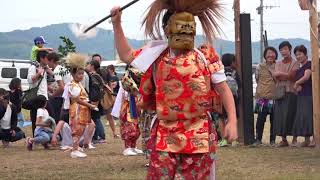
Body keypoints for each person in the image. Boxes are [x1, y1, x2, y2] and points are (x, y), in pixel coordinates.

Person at [110, 0, 237, 178]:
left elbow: (223, 89)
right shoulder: (156, 54)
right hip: (164, 130)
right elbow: (127, 55)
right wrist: (117, 24)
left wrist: (232, 120)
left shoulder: (205, 55)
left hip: (199, 131)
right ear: (166, 29)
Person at [65, 53, 97, 158]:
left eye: (82, 74)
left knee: (81, 128)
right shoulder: (73, 85)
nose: (81, 76)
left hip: (82, 110)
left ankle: (77, 147)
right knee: (77, 129)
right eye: (79, 74)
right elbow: (77, 99)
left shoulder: (78, 85)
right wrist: (90, 105)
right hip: (77, 109)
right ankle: (74, 149)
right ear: (73, 75)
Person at [273, 41, 299, 147]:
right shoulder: (278, 63)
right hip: (280, 92)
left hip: (291, 91)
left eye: (285, 49)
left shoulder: (295, 62)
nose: (283, 51)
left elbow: (293, 76)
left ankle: (294, 138)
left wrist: (281, 74)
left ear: (290, 49)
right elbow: (276, 76)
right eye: (281, 49)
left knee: (292, 114)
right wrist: (286, 75)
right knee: (280, 116)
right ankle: (283, 139)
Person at [254, 47, 277, 146]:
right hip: (262, 97)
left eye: (272, 53)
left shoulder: (278, 66)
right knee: (260, 119)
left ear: (275, 55)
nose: (270, 55)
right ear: (265, 55)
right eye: (268, 53)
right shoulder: (259, 66)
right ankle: (258, 139)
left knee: (274, 119)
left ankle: (272, 140)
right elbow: (257, 79)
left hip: (274, 97)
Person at [27, 50, 54, 136]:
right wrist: (39, 73)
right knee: (36, 118)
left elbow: (53, 76)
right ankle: (36, 138)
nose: (49, 60)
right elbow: (31, 80)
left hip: (44, 96)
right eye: (47, 58)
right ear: (42, 58)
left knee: (48, 116)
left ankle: (43, 137)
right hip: (36, 97)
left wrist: (49, 88)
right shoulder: (33, 67)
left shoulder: (45, 68)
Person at [292, 45, 313, 147]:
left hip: (309, 95)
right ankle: (307, 139)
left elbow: (306, 77)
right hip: (301, 95)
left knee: (309, 116)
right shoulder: (299, 69)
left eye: (300, 54)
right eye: (296, 55)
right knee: (303, 117)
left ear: (305, 54)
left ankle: (314, 139)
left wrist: (296, 83)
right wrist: (297, 87)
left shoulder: (309, 64)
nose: (298, 56)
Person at [219, 53, 241, 147]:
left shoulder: (220, 71)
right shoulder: (234, 72)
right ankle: (234, 140)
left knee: (221, 118)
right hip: (234, 98)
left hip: (221, 98)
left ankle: (224, 139)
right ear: (232, 62)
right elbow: (239, 84)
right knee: (233, 117)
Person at [86, 60, 106, 144]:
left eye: (88, 64)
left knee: (95, 118)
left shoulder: (93, 76)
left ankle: (101, 136)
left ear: (92, 66)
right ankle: (99, 136)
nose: (87, 66)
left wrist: (93, 102)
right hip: (99, 99)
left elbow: (94, 90)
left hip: (95, 99)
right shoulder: (99, 75)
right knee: (96, 117)